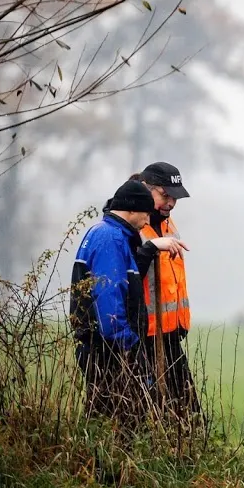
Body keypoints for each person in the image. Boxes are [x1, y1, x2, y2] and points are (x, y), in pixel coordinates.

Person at [70, 179, 160, 425]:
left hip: (104, 350)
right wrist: (130, 347)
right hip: (110, 353)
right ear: (131, 209)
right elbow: (109, 304)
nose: (148, 220)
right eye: (146, 213)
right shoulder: (111, 239)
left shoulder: (105, 234)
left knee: (104, 423)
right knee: (123, 427)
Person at [133, 162, 196, 416]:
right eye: (165, 195)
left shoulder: (169, 224)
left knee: (188, 412)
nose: (170, 203)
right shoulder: (134, 227)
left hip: (171, 334)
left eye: (175, 198)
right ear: (147, 189)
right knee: (151, 412)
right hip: (145, 337)